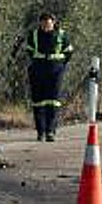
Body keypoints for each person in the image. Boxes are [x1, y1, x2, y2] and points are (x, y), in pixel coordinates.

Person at [25, 12, 74, 142]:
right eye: (43, 23)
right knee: (38, 102)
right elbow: (29, 50)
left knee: (53, 102)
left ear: (53, 23)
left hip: (55, 71)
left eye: (48, 23)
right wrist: (37, 61)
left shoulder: (62, 35)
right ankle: (40, 132)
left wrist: (60, 64)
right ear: (40, 23)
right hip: (38, 70)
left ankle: (50, 131)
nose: (46, 26)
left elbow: (69, 52)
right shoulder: (34, 35)